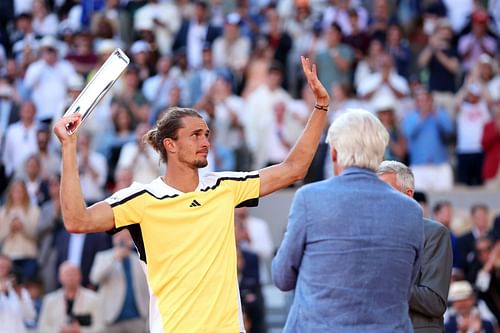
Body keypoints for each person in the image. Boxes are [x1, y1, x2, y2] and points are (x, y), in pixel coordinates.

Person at [53, 56, 330, 333]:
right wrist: (69, 147)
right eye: (196, 135)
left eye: (206, 134)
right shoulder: (140, 199)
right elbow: (78, 220)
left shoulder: (224, 186)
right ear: (170, 145)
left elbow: (294, 169)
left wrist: (320, 107)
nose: (205, 142)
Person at [272, 109, 423, 332]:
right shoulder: (412, 211)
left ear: (333, 153)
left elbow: (282, 277)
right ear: (380, 154)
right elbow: (406, 284)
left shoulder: (309, 198)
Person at [377, 160, 452, 332]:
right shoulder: (368, 234)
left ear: (408, 194)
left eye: (385, 191)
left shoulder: (434, 234)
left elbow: (435, 302)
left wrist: (387, 282)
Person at [90, 230, 149, 333]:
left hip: (137, 319)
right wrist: (114, 258)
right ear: (114, 239)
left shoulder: (139, 260)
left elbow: (146, 288)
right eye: (119, 236)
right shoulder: (103, 257)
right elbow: (95, 278)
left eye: (126, 237)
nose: (123, 239)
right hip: (111, 319)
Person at [37, 262, 104, 333]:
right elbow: (42, 327)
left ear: (80, 276)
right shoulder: (50, 300)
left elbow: (100, 327)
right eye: (67, 274)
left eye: (73, 274)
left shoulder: (94, 298)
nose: (70, 277)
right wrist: (59, 330)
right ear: (60, 277)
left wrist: (81, 330)